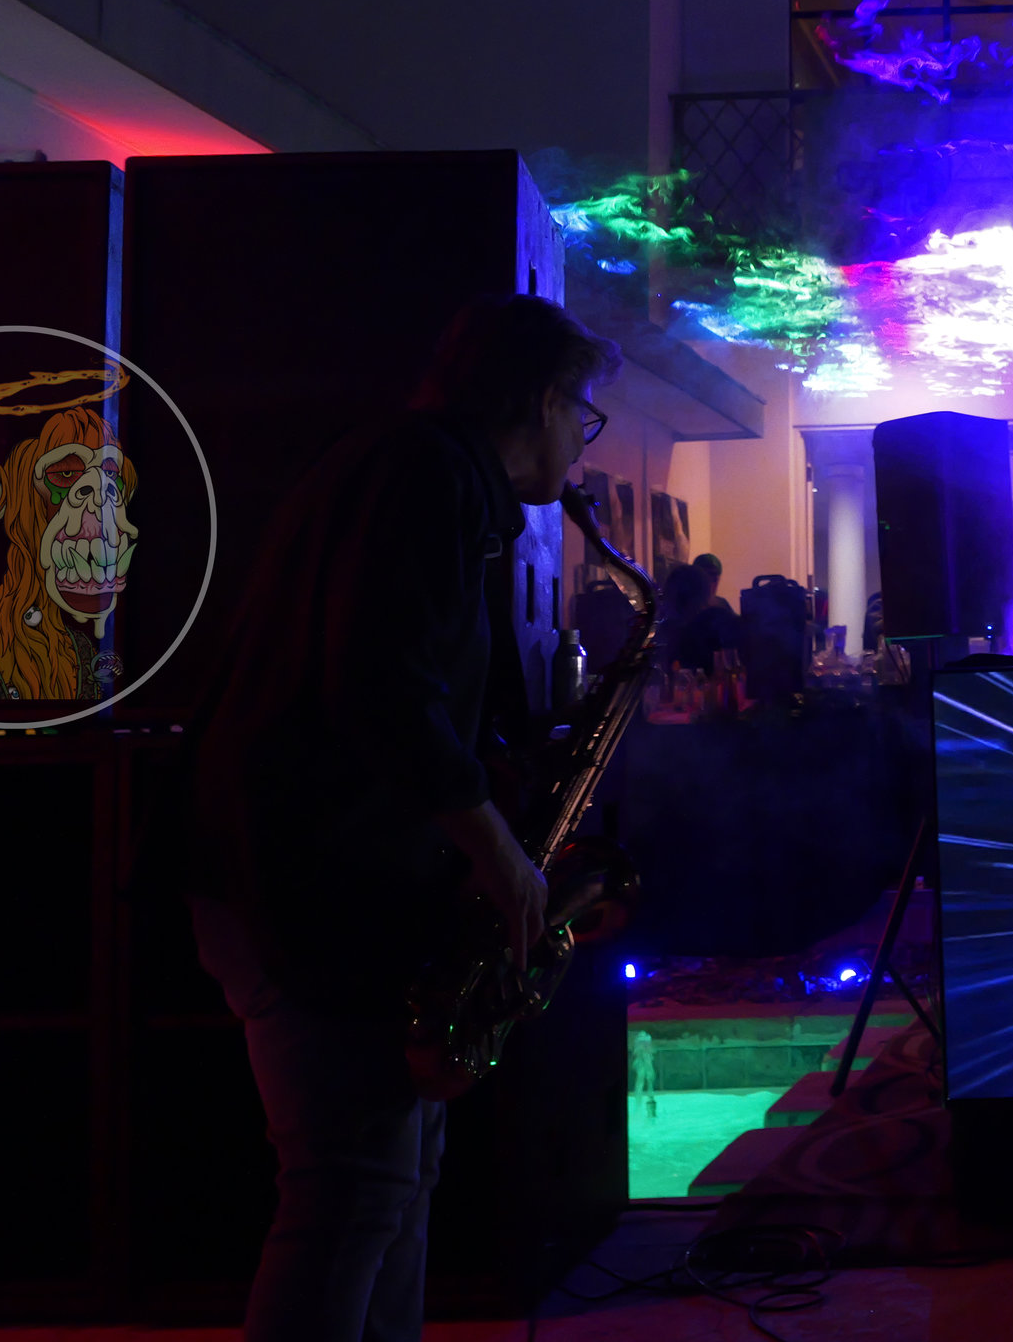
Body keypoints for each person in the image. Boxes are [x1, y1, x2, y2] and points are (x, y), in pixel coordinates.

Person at [189, 295, 617, 1342]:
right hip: (304, 890)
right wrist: (499, 853)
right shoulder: (422, 473)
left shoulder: (414, 471)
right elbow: (380, 685)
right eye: (584, 413)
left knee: (391, 1184)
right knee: (347, 1195)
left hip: (315, 882)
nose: (583, 441)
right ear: (541, 399)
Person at [656, 559, 740, 671]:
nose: (713, 581)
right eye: (709, 576)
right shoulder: (714, 619)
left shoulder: (661, 629)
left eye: (715, 577)